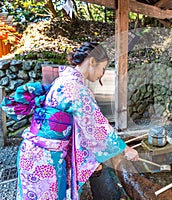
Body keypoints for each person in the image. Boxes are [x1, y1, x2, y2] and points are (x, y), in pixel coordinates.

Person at [1, 42, 139, 200]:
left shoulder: (63, 80)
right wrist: (125, 149)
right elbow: (97, 127)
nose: (102, 74)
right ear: (92, 61)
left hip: (35, 152)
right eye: (103, 68)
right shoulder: (75, 88)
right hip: (45, 159)